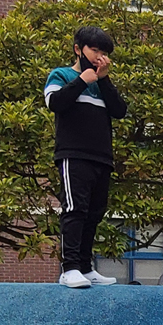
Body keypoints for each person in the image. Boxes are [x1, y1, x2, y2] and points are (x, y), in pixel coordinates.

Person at [45, 25, 128, 289]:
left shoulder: (102, 83)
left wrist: (103, 80)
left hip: (101, 157)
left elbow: (119, 111)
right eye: (94, 50)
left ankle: (84, 267)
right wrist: (83, 80)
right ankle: (69, 268)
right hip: (73, 154)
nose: (100, 57)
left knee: (94, 213)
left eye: (104, 53)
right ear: (78, 49)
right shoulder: (62, 75)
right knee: (75, 210)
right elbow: (55, 103)